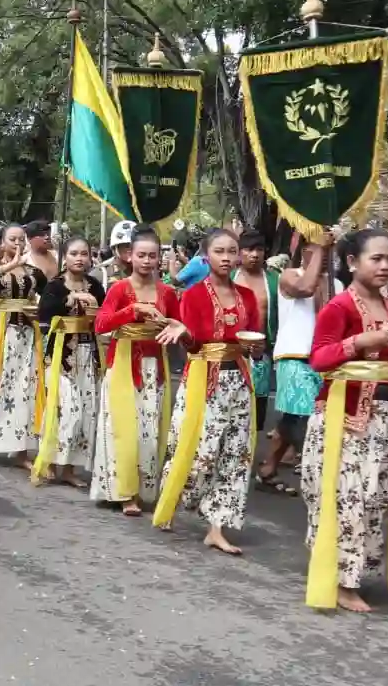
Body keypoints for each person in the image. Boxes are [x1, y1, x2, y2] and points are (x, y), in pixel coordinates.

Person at [300, 231, 388, 613]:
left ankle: (355, 569)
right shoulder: (339, 308)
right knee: (346, 498)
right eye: (377, 259)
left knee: (377, 497)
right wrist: (357, 343)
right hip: (344, 419)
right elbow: (320, 359)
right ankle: (342, 579)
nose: (386, 266)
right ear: (353, 263)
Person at [153, 228, 262, 555]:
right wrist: (184, 333)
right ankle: (171, 498)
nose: (227, 257)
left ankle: (217, 527)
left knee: (235, 454)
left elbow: (255, 341)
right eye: (219, 251)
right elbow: (193, 345)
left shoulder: (248, 296)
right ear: (207, 256)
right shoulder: (194, 295)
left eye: (232, 251)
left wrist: (254, 349)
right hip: (204, 378)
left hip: (240, 381)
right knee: (198, 451)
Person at [89, 225, 182, 515]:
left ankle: (143, 489)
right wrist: (133, 311)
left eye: (152, 256)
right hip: (123, 367)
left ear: (159, 259)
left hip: (155, 368)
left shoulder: (167, 293)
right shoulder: (119, 289)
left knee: (149, 430)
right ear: (130, 256)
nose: (146, 261)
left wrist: (173, 328)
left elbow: (178, 326)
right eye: (141, 255)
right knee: (120, 428)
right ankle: (121, 491)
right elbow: (101, 324)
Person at [32, 235, 106, 487]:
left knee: (87, 411)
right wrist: (69, 301)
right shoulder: (55, 286)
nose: (80, 258)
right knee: (66, 410)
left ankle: (70, 468)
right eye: (74, 253)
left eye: (84, 254)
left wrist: (95, 306)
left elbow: (105, 319)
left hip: (88, 354)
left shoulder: (95, 286)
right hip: (62, 356)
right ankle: (51, 460)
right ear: (66, 257)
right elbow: (44, 317)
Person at [259, 238, 328, 494]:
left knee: (291, 417)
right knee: (305, 417)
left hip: (323, 359)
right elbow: (306, 288)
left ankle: (269, 468)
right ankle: (315, 471)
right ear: (304, 252)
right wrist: (322, 249)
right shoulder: (290, 275)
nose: (322, 253)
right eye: (314, 248)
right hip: (294, 355)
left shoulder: (336, 282)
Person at [0, 222, 46, 464]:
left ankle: (21, 448)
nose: (17, 244)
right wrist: (9, 265)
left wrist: (40, 312)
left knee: (27, 388)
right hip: (1, 334)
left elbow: (49, 299)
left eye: (21, 239)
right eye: (12, 239)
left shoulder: (34, 274)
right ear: (2, 244)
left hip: (28, 335)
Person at [233, 230, 278, 433]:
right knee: (232, 405)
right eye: (249, 249)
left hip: (262, 352)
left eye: (259, 249)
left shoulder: (274, 281)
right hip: (232, 353)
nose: (254, 254)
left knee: (257, 409)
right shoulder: (229, 278)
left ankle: (250, 455)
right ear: (239, 253)